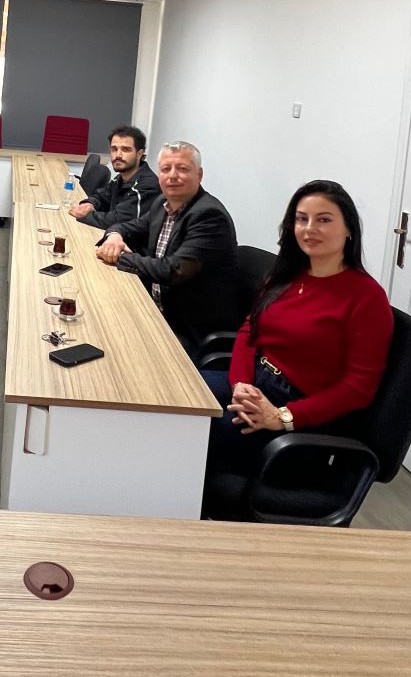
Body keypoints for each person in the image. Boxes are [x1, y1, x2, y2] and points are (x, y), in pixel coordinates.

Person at [200, 180, 393, 481]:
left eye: (324, 219)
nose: (309, 228)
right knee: (177, 399)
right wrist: (240, 384)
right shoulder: (286, 276)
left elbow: (358, 389)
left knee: (196, 428)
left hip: (301, 414)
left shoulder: (366, 298)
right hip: (255, 381)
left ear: (349, 229)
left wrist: (282, 417)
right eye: (302, 219)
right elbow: (249, 333)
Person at [94, 140, 237, 354]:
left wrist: (119, 257)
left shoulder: (208, 216)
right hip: (155, 309)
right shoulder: (163, 203)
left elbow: (173, 270)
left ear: (199, 175)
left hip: (185, 329)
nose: (173, 175)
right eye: (166, 169)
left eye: (182, 169)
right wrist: (115, 236)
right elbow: (131, 226)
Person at [69, 124, 160, 230]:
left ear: (139, 154)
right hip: (113, 238)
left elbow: (119, 220)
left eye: (126, 149)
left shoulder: (148, 186)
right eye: (114, 149)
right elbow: (102, 197)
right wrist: (89, 204)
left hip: (130, 245)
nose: (118, 155)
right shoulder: (120, 178)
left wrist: (84, 215)